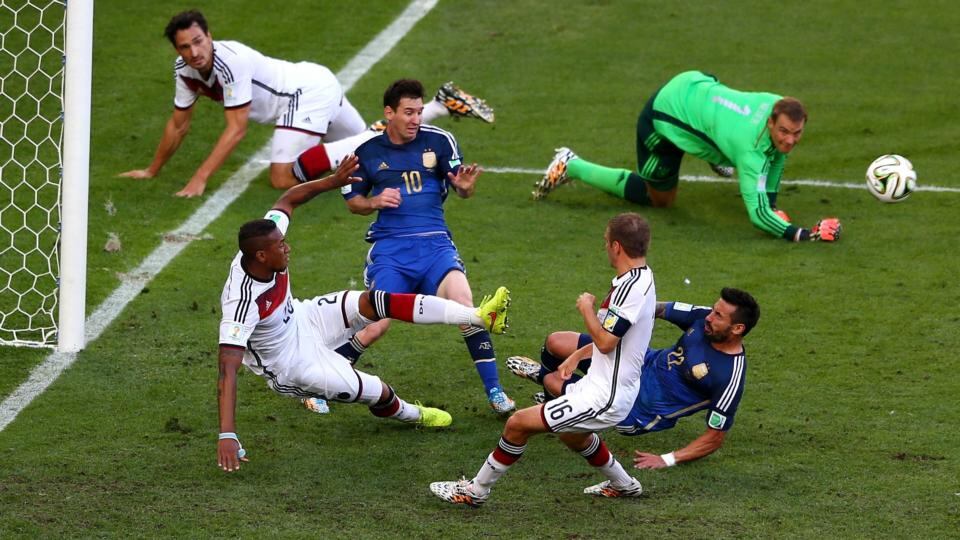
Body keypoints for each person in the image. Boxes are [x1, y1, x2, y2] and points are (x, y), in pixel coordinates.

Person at [216, 154, 512, 473]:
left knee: (376, 302)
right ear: (261, 255)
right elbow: (227, 369)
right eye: (280, 247)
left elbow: (288, 199)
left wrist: (332, 181)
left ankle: (479, 317)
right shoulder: (241, 302)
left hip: (303, 317)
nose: (287, 248)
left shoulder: (266, 243)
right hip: (292, 364)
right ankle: (414, 413)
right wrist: (228, 434)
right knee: (379, 393)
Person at [120, 10, 494, 198]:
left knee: (281, 178)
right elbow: (178, 124)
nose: (194, 51)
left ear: (209, 36)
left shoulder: (227, 61)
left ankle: (389, 130)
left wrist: (199, 179)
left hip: (304, 96)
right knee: (366, 142)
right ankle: (442, 104)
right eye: (185, 46)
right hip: (314, 82)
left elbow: (237, 129)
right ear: (177, 50)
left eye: (199, 41)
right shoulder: (184, 71)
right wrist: (152, 170)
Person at [429, 213, 655, 506]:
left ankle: (475, 491)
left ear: (616, 246)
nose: (604, 247)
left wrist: (586, 309)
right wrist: (577, 354)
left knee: (518, 424)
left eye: (604, 242)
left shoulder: (631, 289)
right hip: (602, 384)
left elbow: (607, 340)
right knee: (572, 436)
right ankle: (624, 485)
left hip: (606, 395)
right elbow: (620, 339)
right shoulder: (638, 277)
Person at [339, 79, 515, 414]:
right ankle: (323, 379)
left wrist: (464, 188)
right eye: (408, 112)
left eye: (419, 111)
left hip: (435, 245)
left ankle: (495, 393)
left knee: (467, 307)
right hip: (391, 249)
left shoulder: (441, 141)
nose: (416, 118)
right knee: (377, 323)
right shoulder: (368, 153)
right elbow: (353, 203)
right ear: (389, 113)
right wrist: (375, 200)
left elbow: (462, 188)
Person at [534, 70, 842, 243]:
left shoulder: (778, 105)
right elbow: (757, 216)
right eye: (784, 132)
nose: (790, 140)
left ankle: (715, 150)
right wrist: (801, 234)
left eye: (797, 134)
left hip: (697, 83)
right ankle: (570, 163)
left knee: (753, 147)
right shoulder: (749, 149)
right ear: (772, 122)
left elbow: (776, 157)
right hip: (664, 116)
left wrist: (773, 205)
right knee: (660, 199)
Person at [506, 287, 759, 471]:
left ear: (737, 329)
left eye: (718, 316)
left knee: (552, 380)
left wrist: (667, 459)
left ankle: (548, 388)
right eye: (713, 310)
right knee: (556, 342)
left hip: (638, 409)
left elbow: (715, 436)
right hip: (639, 363)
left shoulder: (729, 375)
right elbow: (654, 309)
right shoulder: (702, 318)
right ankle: (554, 399)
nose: (709, 317)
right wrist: (619, 315)